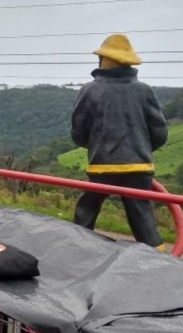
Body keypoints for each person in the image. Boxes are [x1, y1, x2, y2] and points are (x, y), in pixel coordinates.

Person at [71, 33, 169, 250]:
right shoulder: (144, 90)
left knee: (86, 209)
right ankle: (160, 259)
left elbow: (78, 132)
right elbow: (160, 133)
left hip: (101, 166)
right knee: (142, 214)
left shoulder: (90, 90)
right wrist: (140, 149)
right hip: (139, 166)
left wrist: (96, 145)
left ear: (103, 61)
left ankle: (76, 249)